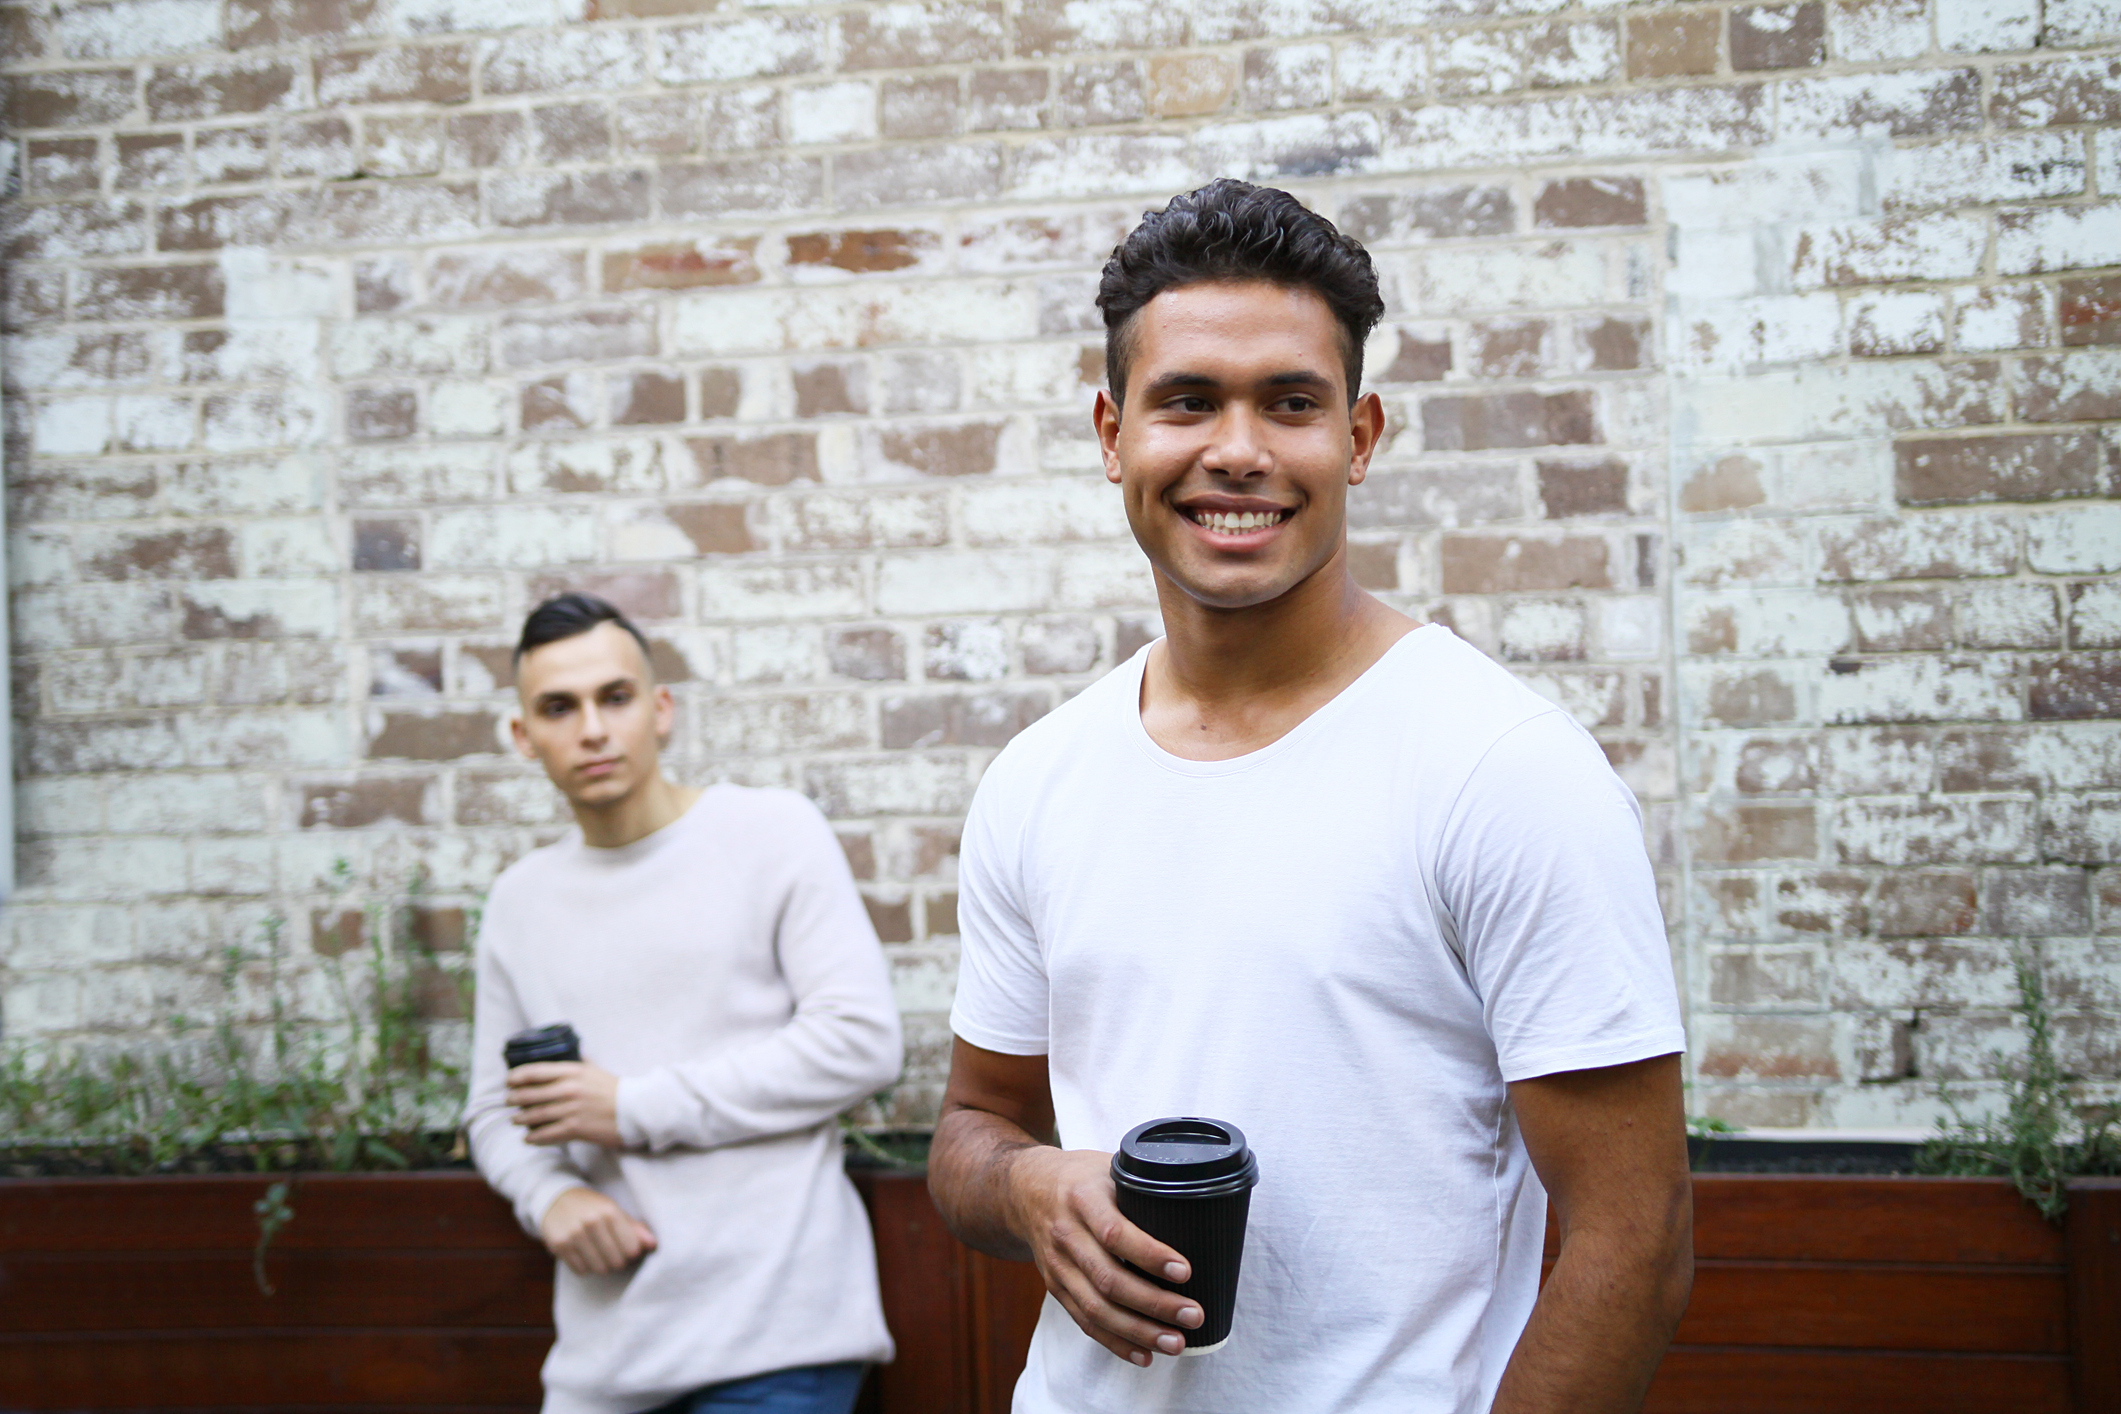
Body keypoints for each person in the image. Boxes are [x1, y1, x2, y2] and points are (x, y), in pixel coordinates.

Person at [928, 179, 1693, 1414]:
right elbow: (975, 1124)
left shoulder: (1504, 769)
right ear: (1114, 434)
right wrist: (1025, 1188)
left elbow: (1635, 1241)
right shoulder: (1037, 778)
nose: (1238, 449)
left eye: (1290, 402)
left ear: (1360, 435)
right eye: (1188, 400)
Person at [464, 592, 902, 1414]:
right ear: (523, 736)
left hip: (778, 1337)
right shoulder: (520, 902)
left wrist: (632, 1108)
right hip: (603, 1359)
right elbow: (493, 1111)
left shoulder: (772, 834)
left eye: (614, 697)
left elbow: (860, 1040)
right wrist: (549, 1196)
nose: (592, 728)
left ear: (660, 709)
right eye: (559, 708)